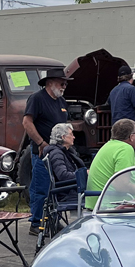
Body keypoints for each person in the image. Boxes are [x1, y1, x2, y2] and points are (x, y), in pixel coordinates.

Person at [23, 67, 70, 237]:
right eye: (61, 83)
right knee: (41, 187)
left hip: (58, 152)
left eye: (65, 84)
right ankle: (36, 223)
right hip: (42, 152)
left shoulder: (62, 102)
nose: (64, 86)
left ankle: (53, 220)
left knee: (56, 188)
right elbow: (27, 122)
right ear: (50, 83)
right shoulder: (37, 99)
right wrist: (40, 143)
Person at [88, 119, 135, 199]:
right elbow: (121, 186)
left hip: (99, 199)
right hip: (109, 203)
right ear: (131, 137)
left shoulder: (109, 145)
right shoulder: (125, 149)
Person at [108, 63, 135, 165]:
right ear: (131, 76)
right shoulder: (132, 89)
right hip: (131, 132)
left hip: (117, 131)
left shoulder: (113, 91)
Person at [42, 122, 86, 194]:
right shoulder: (57, 154)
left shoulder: (66, 152)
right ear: (63, 137)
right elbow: (63, 176)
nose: (74, 137)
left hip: (72, 190)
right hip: (68, 193)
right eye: (71, 134)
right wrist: (83, 174)